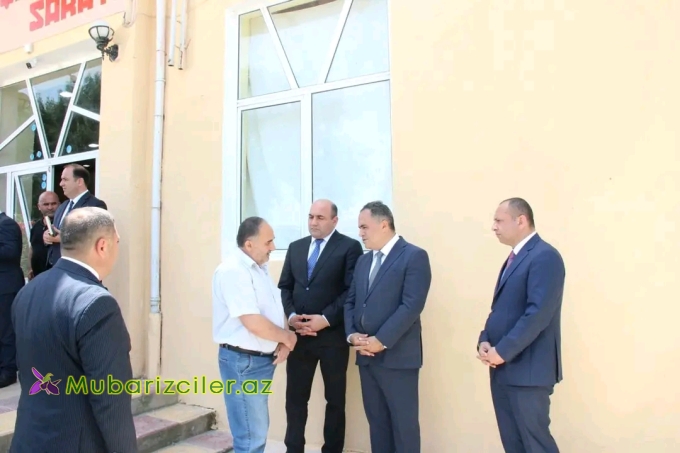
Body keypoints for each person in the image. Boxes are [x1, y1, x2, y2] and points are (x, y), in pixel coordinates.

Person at [11, 207, 137, 453]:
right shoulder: (97, 303)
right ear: (102, 246)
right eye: (117, 242)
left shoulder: (28, 291)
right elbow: (111, 399)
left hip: (28, 439)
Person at [477, 197, 565, 453]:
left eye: (499, 220)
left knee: (535, 444)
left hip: (528, 372)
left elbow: (538, 314)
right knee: (513, 444)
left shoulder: (544, 256)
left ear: (521, 220)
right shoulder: (514, 259)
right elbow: (501, 310)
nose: (494, 226)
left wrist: (502, 351)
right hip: (504, 370)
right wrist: (485, 340)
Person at [344, 201, 432, 453]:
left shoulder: (414, 256)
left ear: (384, 224)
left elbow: (411, 305)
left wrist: (380, 340)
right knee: (377, 425)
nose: (360, 233)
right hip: (366, 359)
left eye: (364, 227)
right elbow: (351, 302)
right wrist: (352, 335)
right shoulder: (363, 261)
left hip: (398, 359)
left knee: (404, 427)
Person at [278, 199, 363, 453]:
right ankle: (294, 448)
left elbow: (351, 291)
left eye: (320, 218)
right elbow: (286, 287)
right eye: (311, 216)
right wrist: (292, 316)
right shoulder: (296, 247)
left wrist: (324, 319)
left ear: (334, 221)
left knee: (335, 400)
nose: (313, 222)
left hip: (332, 339)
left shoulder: (349, 247)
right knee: (295, 399)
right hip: (299, 338)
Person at [212, 216, 298, 453]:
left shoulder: (258, 269)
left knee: (255, 434)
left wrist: (283, 339)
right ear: (249, 244)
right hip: (243, 363)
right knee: (250, 439)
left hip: (257, 361)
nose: (273, 247)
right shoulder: (233, 271)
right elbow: (252, 321)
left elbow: (272, 310)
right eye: (268, 242)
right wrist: (288, 338)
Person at [45, 164, 107, 269]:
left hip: (80, 269)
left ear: (79, 182)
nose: (61, 184)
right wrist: (48, 236)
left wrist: (64, 238)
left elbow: (95, 237)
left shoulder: (95, 205)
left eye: (65, 179)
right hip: (57, 267)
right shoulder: (62, 207)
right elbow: (57, 234)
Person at [0, 209, 24, 388]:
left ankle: (8, 372)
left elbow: (11, 252)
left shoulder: (6, 224)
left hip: (6, 286)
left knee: (6, 331)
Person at [28, 191, 59, 280]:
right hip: (37, 277)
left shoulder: (62, 225)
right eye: (46, 204)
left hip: (55, 277)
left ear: (59, 204)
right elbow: (32, 247)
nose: (50, 207)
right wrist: (30, 268)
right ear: (39, 206)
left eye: (53, 204)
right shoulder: (36, 226)